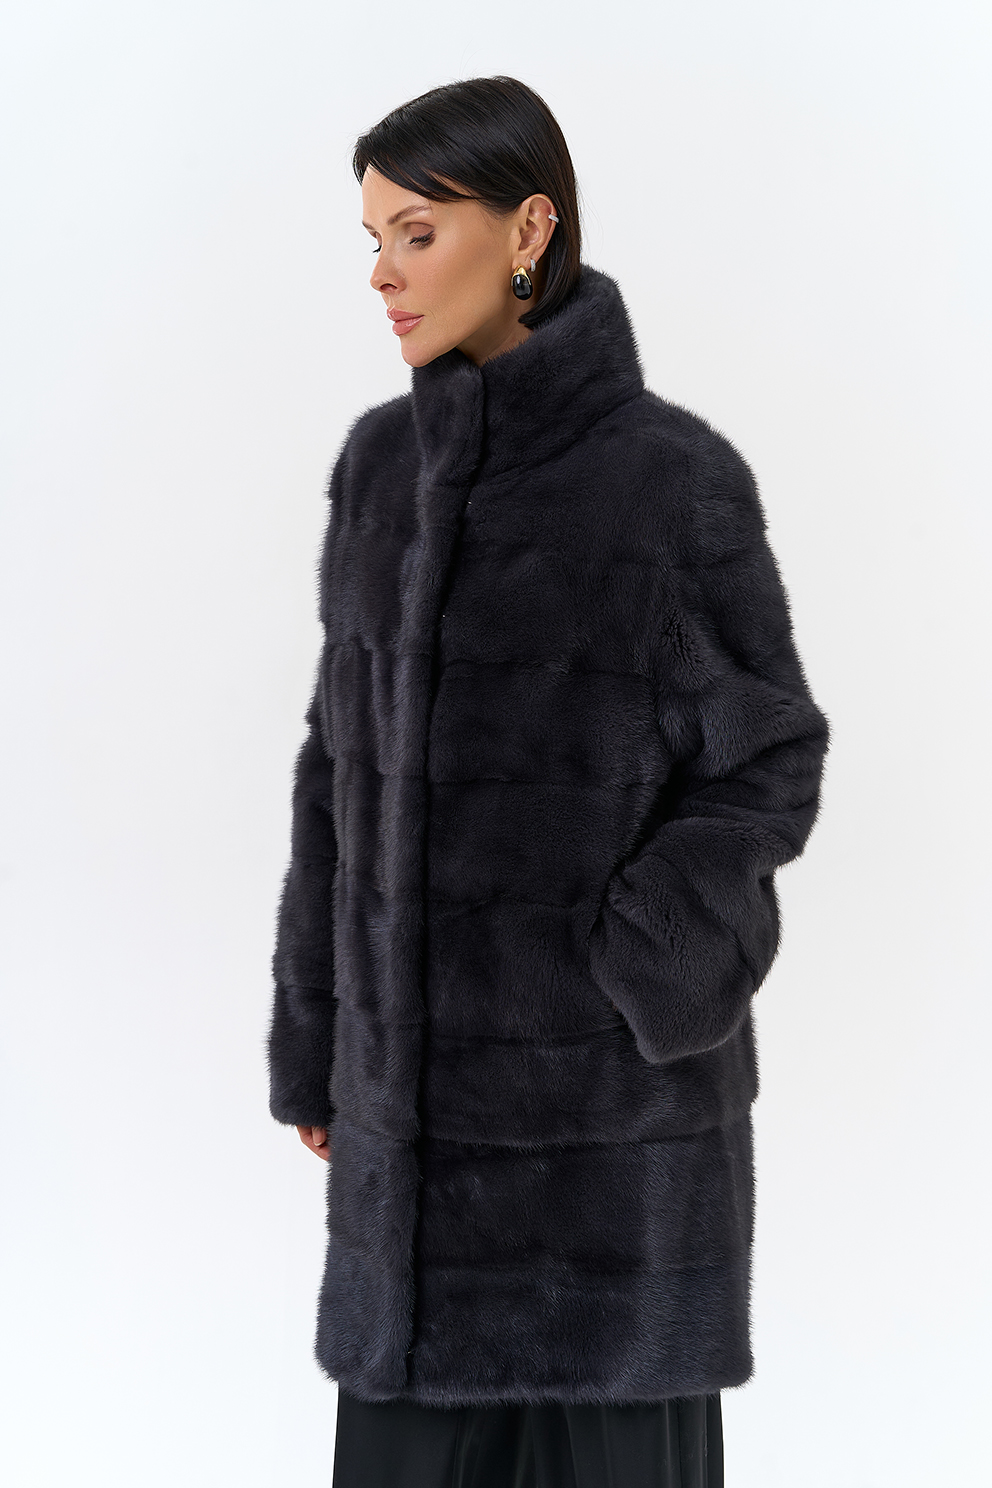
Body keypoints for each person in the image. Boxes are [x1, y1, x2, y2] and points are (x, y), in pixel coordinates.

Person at [266, 75, 830, 1488]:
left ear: (529, 229)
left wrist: (640, 968)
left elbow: (766, 758)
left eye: (417, 233)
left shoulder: (670, 481)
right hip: (410, 1175)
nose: (384, 274)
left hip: (611, 1171)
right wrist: (322, 1041)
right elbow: (337, 764)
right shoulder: (379, 471)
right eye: (373, 239)